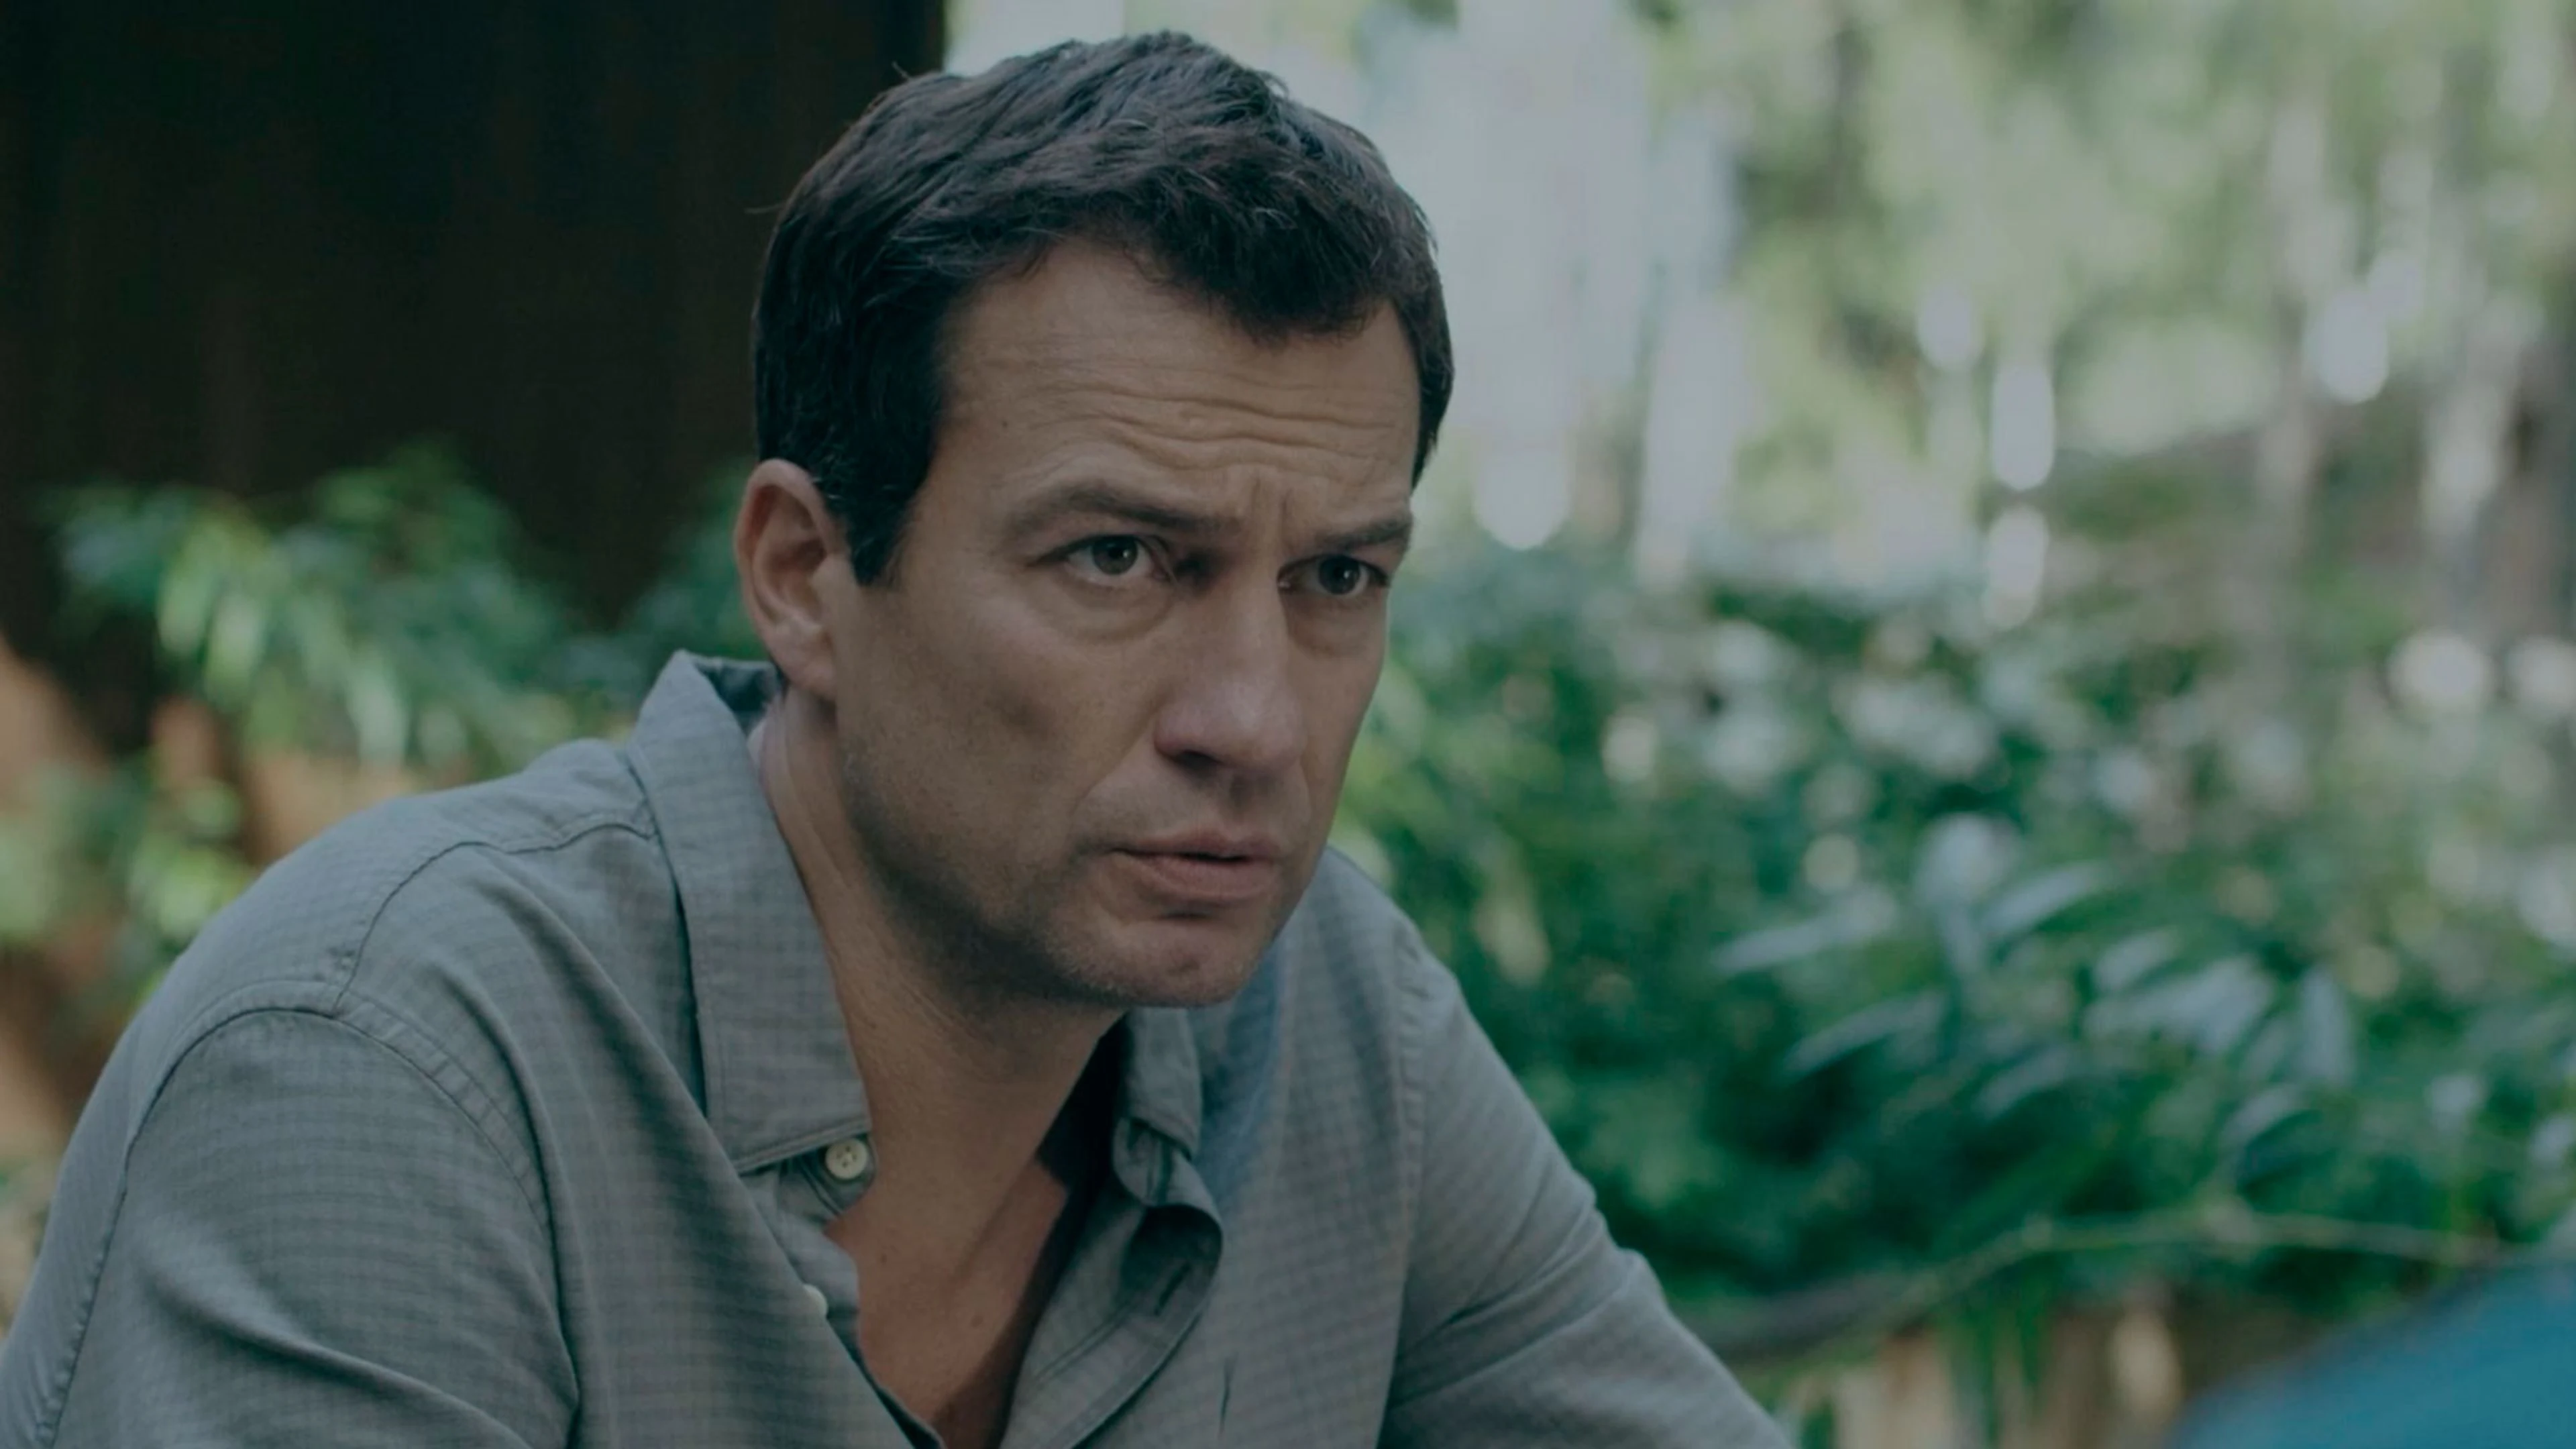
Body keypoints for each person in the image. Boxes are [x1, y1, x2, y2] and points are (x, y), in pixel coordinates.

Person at [0, 32, 1782, 1449]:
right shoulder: (387, 1066)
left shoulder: (1330, 1030)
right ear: (805, 576)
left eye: (1335, 577)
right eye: (1117, 559)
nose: (1253, 721)